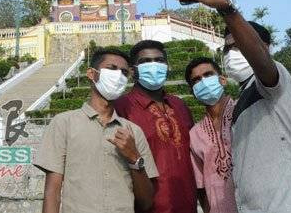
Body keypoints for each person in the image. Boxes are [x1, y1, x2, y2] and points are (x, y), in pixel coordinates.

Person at [172, 0, 291, 213]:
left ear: (265, 47)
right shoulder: (241, 103)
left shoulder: (273, 84)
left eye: (239, 45)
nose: (232, 54)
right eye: (227, 49)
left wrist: (226, 8)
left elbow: (262, 63)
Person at [34, 48, 159, 213]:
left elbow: (146, 202)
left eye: (123, 72)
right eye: (112, 68)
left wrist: (134, 159)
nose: (118, 76)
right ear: (92, 74)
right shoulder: (64, 123)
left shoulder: (133, 132)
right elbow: (53, 191)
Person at [114, 40, 197, 213]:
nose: (154, 65)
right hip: (147, 207)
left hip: (188, 204)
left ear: (167, 66)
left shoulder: (179, 105)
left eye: (159, 60)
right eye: (145, 62)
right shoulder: (121, 107)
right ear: (133, 70)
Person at [185, 57, 238, 213]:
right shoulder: (195, 134)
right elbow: (200, 186)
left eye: (208, 75)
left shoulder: (244, 114)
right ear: (193, 92)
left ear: (222, 80)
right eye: (196, 80)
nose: (203, 82)